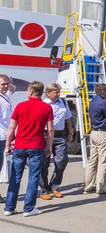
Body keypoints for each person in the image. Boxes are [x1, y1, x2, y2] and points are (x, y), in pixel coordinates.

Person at [3, 81, 54, 217]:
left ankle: (9, 207)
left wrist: (8, 144)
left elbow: (12, 128)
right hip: (36, 145)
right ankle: (28, 208)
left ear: (30, 91)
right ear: (41, 92)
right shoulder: (47, 108)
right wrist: (49, 146)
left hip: (20, 145)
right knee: (33, 177)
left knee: (15, 176)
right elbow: (50, 129)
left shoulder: (20, 106)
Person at [39, 83, 73, 200]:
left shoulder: (63, 102)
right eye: (56, 92)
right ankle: (44, 189)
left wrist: (70, 133)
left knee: (62, 160)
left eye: (59, 92)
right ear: (48, 93)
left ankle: (54, 186)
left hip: (60, 135)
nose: (59, 94)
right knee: (44, 163)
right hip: (45, 134)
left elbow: (68, 119)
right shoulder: (43, 104)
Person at [83, 83, 106, 195]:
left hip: (94, 132)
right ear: (102, 92)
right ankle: (101, 187)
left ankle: (88, 186)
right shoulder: (104, 103)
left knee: (92, 161)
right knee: (103, 161)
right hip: (102, 133)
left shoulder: (93, 101)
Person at [0, 74, 14, 204]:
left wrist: (9, 82)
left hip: (5, 136)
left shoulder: (6, 95)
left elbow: (13, 88)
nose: (5, 86)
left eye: (6, 84)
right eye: (3, 84)